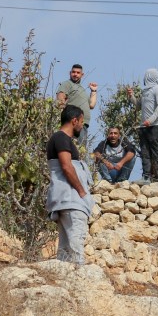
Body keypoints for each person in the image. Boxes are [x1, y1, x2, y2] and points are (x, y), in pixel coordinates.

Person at [45, 105, 93, 264]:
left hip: (67, 200)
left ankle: (66, 281)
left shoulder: (60, 138)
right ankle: (78, 280)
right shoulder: (61, 138)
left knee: (65, 249)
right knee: (76, 244)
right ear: (74, 121)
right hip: (72, 200)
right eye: (81, 121)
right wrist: (82, 192)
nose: (81, 125)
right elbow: (66, 166)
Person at [128, 69, 158, 183]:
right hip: (144, 126)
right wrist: (131, 96)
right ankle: (146, 176)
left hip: (156, 126)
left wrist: (150, 120)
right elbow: (138, 105)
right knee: (145, 151)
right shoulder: (145, 91)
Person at [55, 64, 97, 148]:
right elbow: (60, 101)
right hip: (73, 122)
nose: (75, 74)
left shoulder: (81, 89)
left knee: (81, 149)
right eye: (73, 72)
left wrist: (93, 91)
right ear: (70, 73)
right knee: (73, 147)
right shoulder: (67, 84)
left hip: (83, 124)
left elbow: (92, 105)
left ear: (82, 75)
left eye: (78, 73)